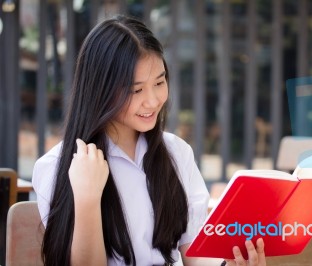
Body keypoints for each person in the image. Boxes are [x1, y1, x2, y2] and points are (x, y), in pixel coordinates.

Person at [32, 15, 266, 266]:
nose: (153, 100)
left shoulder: (176, 153)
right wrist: (87, 197)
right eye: (137, 90)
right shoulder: (58, 166)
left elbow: (194, 254)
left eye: (160, 82)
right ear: (100, 90)